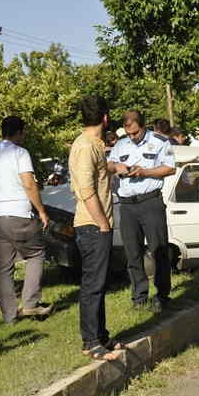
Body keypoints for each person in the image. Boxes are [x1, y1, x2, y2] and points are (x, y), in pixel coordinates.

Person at [0, 116, 51, 324]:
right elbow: (28, 184)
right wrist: (41, 210)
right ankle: (30, 304)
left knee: (3, 267)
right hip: (18, 213)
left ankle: (9, 316)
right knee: (36, 253)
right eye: (23, 133)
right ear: (18, 133)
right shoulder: (20, 153)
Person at [69, 96, 123, 361]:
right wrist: (102, 223)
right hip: (92, 225)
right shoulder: (86, 146)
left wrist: (115, 168)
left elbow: (99, 173)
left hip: (98, 225)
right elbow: (87, 189)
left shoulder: (93, 145)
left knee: (100, 283)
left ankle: (101, 336)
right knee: (93, 284)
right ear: (105, 117)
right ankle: (90, 342)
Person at [107, 110, 176, 311]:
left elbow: (170, 168)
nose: (132, 137)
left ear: (143, 126)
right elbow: (108, 163)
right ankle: (139, 296)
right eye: (129, 133)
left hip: (150, 202)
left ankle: (162, 295)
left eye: (135, 133)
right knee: (132, 252)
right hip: (127, 205)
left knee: (159, 250)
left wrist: (145, 171)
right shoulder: (120, 144)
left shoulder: (161, 142)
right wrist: (116, 166)